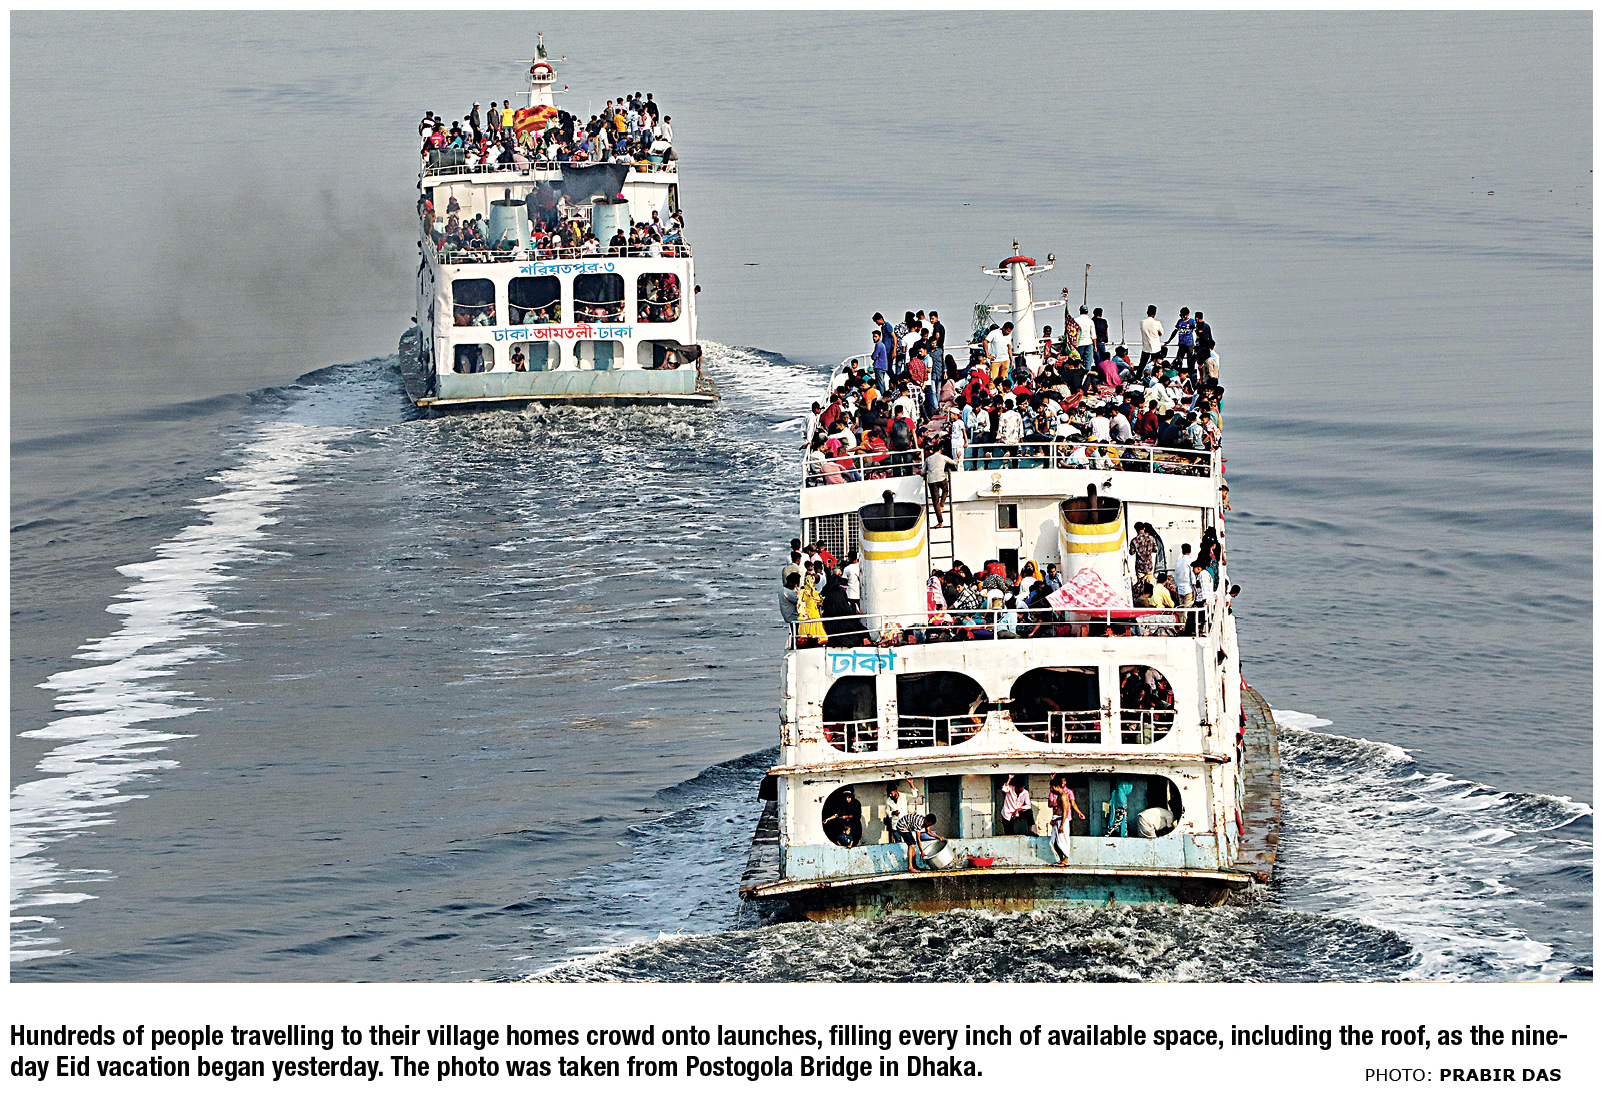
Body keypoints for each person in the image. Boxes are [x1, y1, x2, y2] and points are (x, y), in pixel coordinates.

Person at [924, 444, 959, 527]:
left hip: (932, 481)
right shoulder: (943, 457)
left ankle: (940, 522)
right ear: (940, 450)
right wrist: (958, 457)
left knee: (935, 502)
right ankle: (942, 504)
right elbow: (955, 462)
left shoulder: (928, 459)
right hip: (941, 479)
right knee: (946, 490)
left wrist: (925, 474)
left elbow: (922, 472)